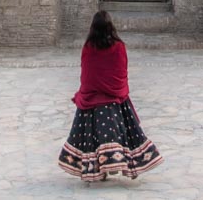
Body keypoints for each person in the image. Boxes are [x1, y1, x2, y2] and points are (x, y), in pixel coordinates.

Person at [58, 11, 163, 182]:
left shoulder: (88, 47)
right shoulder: (118, 46)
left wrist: (86, 91)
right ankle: (117, 162)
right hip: (114, 100)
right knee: (120, 132)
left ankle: (99, 168)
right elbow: (121, 72)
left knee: (92, 136)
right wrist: (118, 89)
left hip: (92, 99)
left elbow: (87, 74)